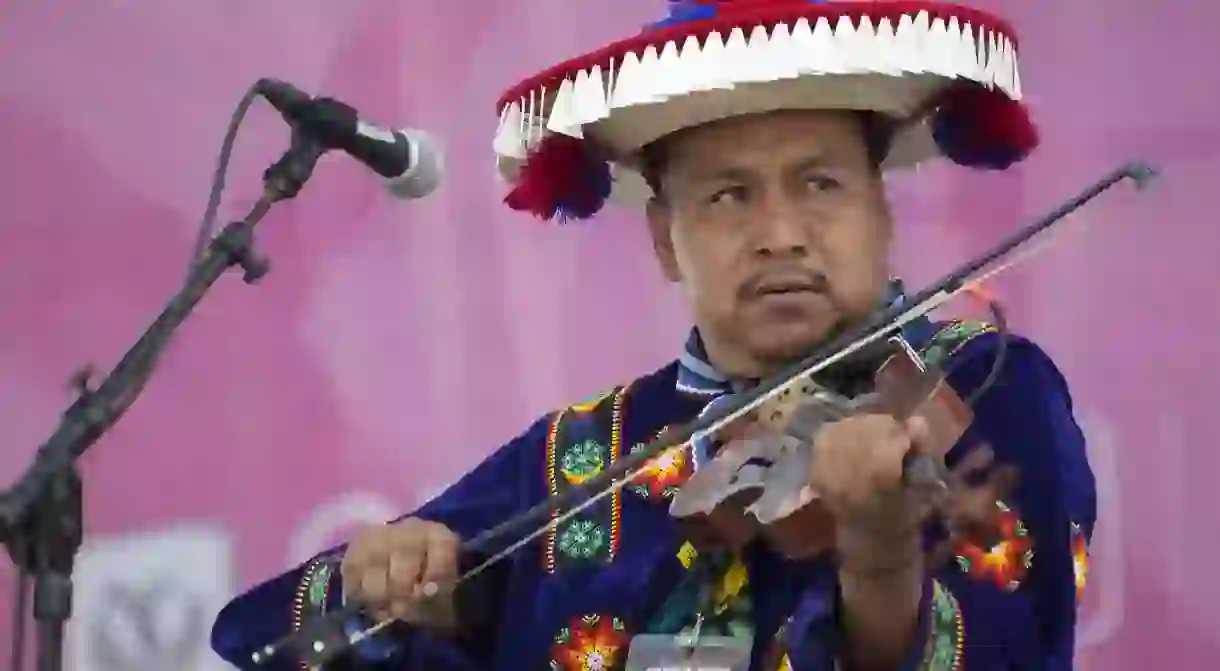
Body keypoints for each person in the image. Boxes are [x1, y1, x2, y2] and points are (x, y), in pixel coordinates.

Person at [210, 1, 1097, 669]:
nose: (781, 232)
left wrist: (877, 549)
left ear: (881, 212)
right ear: (665, 241)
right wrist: (420, 596)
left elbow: (1015, 640)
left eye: (820, 184)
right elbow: (258, 635)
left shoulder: (983, 388)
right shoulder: (580, 452)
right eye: (728, 196)